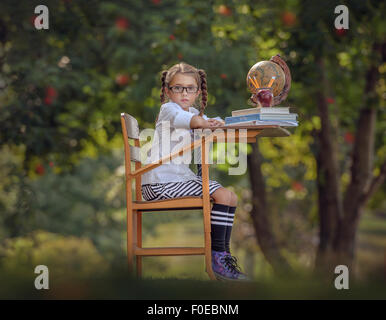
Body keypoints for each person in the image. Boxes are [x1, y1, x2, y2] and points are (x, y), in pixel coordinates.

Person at [141, 62, 248, 281]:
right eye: (178, 88)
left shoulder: (191, 112)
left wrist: (215, 122)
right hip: (159, 183)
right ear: (168, 91)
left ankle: (223, 255)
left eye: (190, 88)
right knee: (222, 195)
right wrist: (207, 122)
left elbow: (202, 126)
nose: (184, 93)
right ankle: (217, 259)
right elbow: (195, 121)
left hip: (175, 180)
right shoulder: (169, 110)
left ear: (198, 92)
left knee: (230, 196)